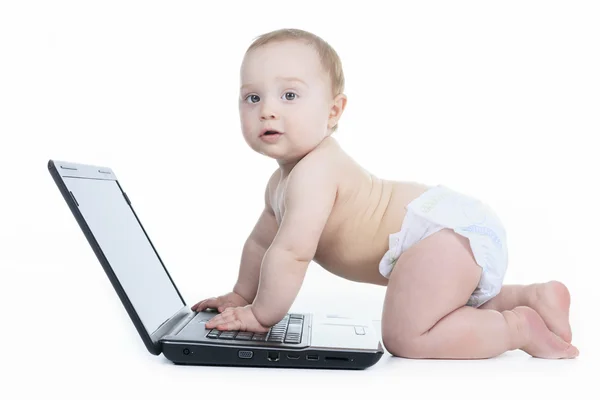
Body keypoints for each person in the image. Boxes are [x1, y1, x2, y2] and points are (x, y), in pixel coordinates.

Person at [192, 28, 578, 359]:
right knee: (434, 309)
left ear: (333, 112)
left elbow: (291, 253)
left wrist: (261, 316)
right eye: (252, 97)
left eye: (289, 96)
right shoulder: (282, 182)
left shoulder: (315, 173)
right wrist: (241, 294)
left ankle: (516, 329)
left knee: (405, 334)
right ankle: (531, 297)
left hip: (437, 236)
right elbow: (262, 244)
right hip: (443, 233)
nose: (267, 110)